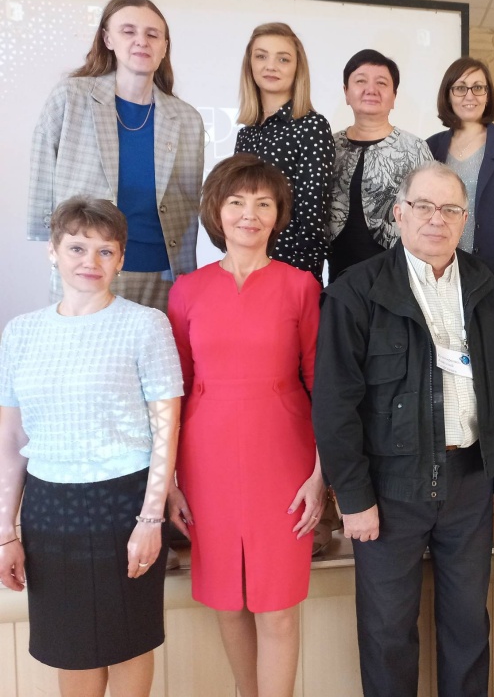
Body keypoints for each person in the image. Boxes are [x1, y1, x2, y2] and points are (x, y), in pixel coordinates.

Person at [313, 161, 494, 697]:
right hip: (389, 489)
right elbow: (334, 404)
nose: (436, 219)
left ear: (465, 219)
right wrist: (353, 497)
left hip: (469, 483)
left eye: (450, 209)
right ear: (399, 214)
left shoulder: (488, 286)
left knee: (468, 626)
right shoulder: (356, 291)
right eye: (423, 206)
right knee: (387, 632)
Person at [0, 196, 182, 697]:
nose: (91, 261)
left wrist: (151, 519)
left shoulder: (146, 324)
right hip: (48, 507)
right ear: (53, 251)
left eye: (106, 250)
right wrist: (5, 533)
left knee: (128, 642)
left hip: (124, 505)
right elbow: (12, 440)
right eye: (77, 247)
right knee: (69, 645)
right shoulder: (20, 333)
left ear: (121, 259)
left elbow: (167, 430)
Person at [166, 154, 325, 697]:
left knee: (277, 608)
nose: (249, 214)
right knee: (227, 602)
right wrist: (170, 482)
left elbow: (321, 384)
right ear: (217, 210)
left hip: (283, 458)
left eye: (263, 203)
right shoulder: (186, 290)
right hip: (205, 461)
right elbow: (175, 391)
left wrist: (321, 474)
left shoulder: (301, 286)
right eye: (236, 202)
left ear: (278, 214)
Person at [29, 0, 205, 312]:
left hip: (161, 271)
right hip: (89, 266)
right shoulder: (72, 96)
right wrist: (53, 242)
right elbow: (42, 165)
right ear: (108, 39)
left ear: (164, 46)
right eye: (128, 31)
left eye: (153, 34)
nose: (142, 41)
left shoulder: (187, 118)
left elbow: (189, 200)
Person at [234, 22, 335, 280]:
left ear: (297, 68)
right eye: (261, 56)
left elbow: (313, 217)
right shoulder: (246, 134)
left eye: (283, 59)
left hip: (290, 272)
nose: (271, 66)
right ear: (249, 65)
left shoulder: (312, 126)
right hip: (244, 267)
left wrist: (286, 276)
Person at [326, 48, 433, 282]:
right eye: (360, 81)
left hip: (397, 277)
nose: (371, 89)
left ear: (394, 97)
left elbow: (430, 213)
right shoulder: (328, 146)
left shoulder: (414, 148)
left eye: (381, 83)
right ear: (346, 93)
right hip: (339, 278)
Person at [427, 56, 494, 291]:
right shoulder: (430, 147)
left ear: (488, 95)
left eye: (478, 87)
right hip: (439, 271)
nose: (469, 96)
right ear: (448, 95)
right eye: (460, 88)